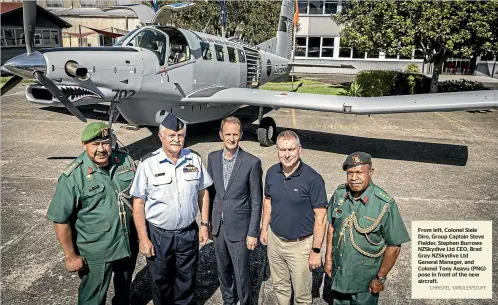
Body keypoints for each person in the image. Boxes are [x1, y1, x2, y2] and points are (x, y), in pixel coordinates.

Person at [47, 122, 138, 305]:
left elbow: (138, 197)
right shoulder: (73, 176)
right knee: (92, 298)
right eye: (95, 145)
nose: (102, 149)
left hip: (126, 244)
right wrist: (70, 255)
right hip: (96, 252)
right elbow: (60, 219)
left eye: (105, 143)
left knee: (124, 292)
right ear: (84, 144)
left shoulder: (124, 161)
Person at [130, 113, 212, 305]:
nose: (177, 139)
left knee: (187, 278)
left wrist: (204, 224)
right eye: (172, 135)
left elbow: (203, 193)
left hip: (187, 232)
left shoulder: (194, 159)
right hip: (159, 235)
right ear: (161, 137)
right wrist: (143, 238)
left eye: (181, 135)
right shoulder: (148, 163)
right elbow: (138, 203)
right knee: (160, 280)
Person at [324, 152, 411, 305]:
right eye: (350, 173)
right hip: (340, 275)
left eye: (359, 172)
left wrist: (380, 278)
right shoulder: (339, 194)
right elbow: (332, 227)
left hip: (365, 283)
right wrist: (328, 260)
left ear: (370, 172)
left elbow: (394, 246)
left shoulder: (384, 204)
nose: (353, 177)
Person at [260, 130, 328, 305]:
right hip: (275, 241)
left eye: (291, 149)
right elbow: (268, 201)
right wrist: (264, 228)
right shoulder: (271, 173)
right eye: (282, 150)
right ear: (277, 151)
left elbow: (320, 218)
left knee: (302, 295)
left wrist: (316, 251)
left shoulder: (313, 179)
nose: (287, 154)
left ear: (300, 150)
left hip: (300, 245)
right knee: (280, 287)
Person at [207, 116, 263, 305]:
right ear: (221, 135)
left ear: (240, 136)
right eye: (228, 134)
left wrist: (253, 232)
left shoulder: (251, 162)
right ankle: (228, 301)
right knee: (223, 270)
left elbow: (256, 200)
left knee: (241, 273)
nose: (231, 138)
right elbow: (210, 194)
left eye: (235, 134)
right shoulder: (212, 158)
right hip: (218, 228)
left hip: (240, 229)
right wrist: (206, 223)